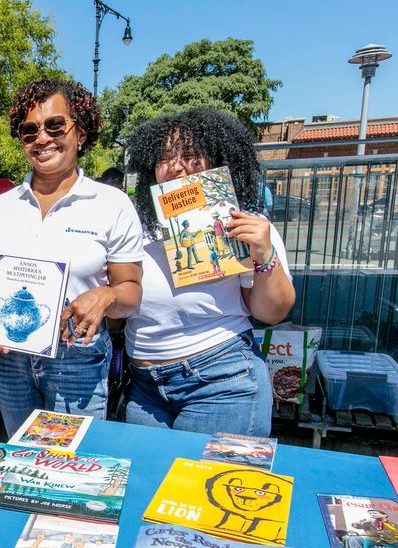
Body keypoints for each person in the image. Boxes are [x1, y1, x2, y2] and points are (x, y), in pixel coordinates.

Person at [0, 78, 143, 435]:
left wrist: (107, 296)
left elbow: (131, 293)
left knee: (72, 460)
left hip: (77, 355)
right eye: (29, 130)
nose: (42, 138)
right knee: (22, 456)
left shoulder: (112, 205)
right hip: (9, 359)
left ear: (81, 133)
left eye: (55, 125)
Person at [124, 108, 296, 437]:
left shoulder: (243, 224)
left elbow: (272, 312)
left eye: (190, 156)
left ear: (216, 161)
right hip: (145, 390)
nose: (176, 166)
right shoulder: (134, 225)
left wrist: (264, 254)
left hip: (222, 383)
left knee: (207, 474)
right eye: (165, 157)